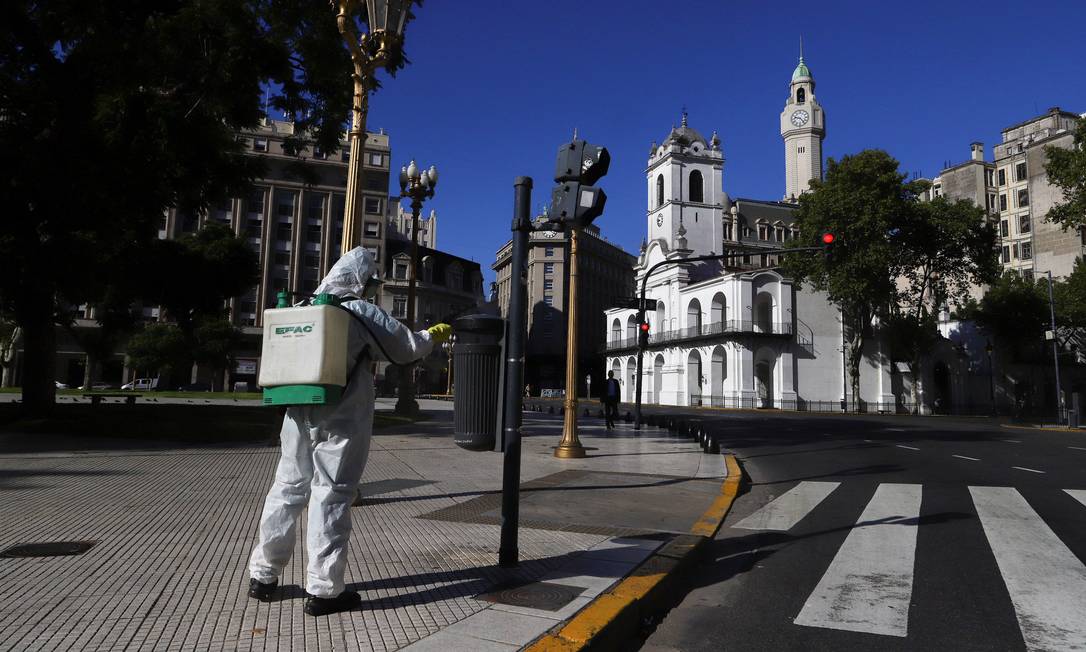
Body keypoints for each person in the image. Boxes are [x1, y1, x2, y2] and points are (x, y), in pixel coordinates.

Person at [247, 248, 452, 616]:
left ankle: (263, 576)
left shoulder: (302, 307)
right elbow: (405, 349)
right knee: (331, 493)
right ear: (361, 281)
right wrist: (431, 335)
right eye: (372, 284)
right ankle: (324, 590)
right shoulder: (358, 310)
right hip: (339, 416)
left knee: (287, 489)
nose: (373, 291)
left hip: (295, 411)